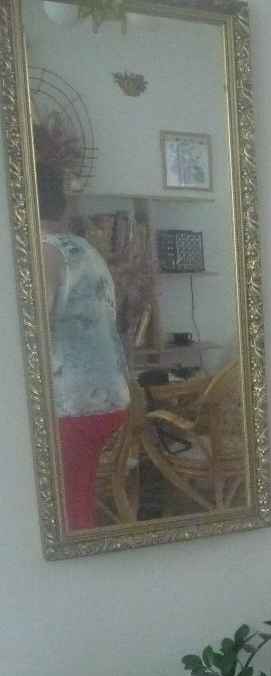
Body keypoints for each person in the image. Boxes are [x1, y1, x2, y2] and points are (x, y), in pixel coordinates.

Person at [38, 162, 131, 531]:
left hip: (74, 404)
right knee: (76, 498)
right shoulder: (86, 250)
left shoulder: (44, 253)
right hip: (109, 398)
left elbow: (34, 329)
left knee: (68, 514)